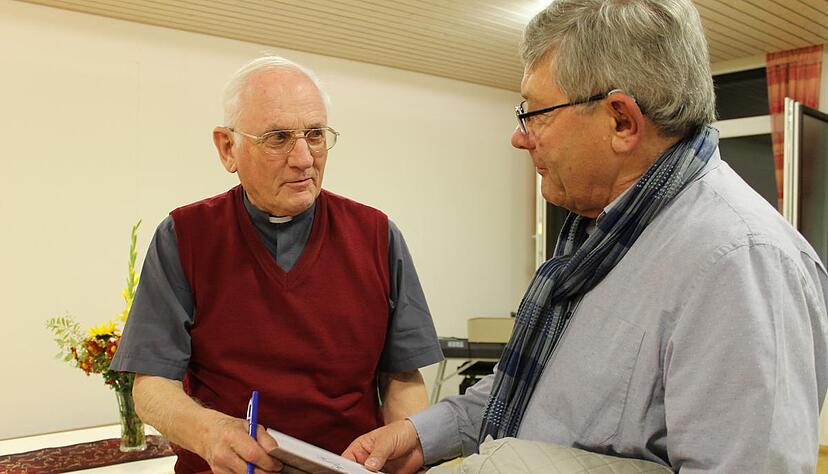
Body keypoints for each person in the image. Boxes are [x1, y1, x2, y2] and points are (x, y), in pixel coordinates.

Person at [343, 1, 828, 472]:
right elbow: (534, 395)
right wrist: (423, 435)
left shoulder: (741, 261)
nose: (519, 137)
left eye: (536, 113)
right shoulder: (604, 232)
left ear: (621, 121)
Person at [110, 56, 443, 474]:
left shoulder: (377, 236)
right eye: (279, 137)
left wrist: (400, 452)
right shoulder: (185, 236)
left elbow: (402, 378)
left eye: (315, 135)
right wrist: (210, 434)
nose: (304, 158)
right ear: (227, 148)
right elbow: (151, 387)